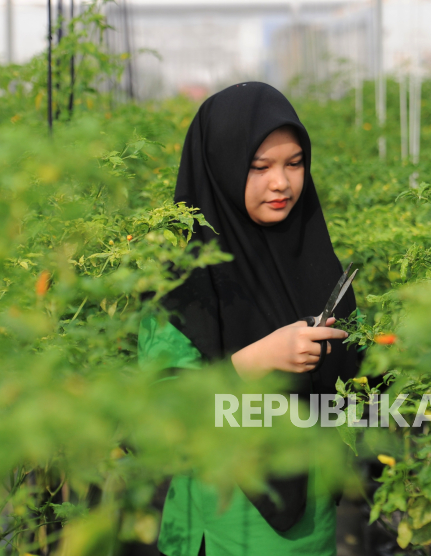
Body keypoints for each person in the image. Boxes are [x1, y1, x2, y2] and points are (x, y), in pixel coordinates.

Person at [137, 82, 362, 556]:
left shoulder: (313, 258)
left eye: (294, 163)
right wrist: (256, 360)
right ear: (219, 169)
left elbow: (350, 389)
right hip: (224, 522)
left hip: (310, 521)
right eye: (258, 168)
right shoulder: (183, 281)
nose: (280, 183)